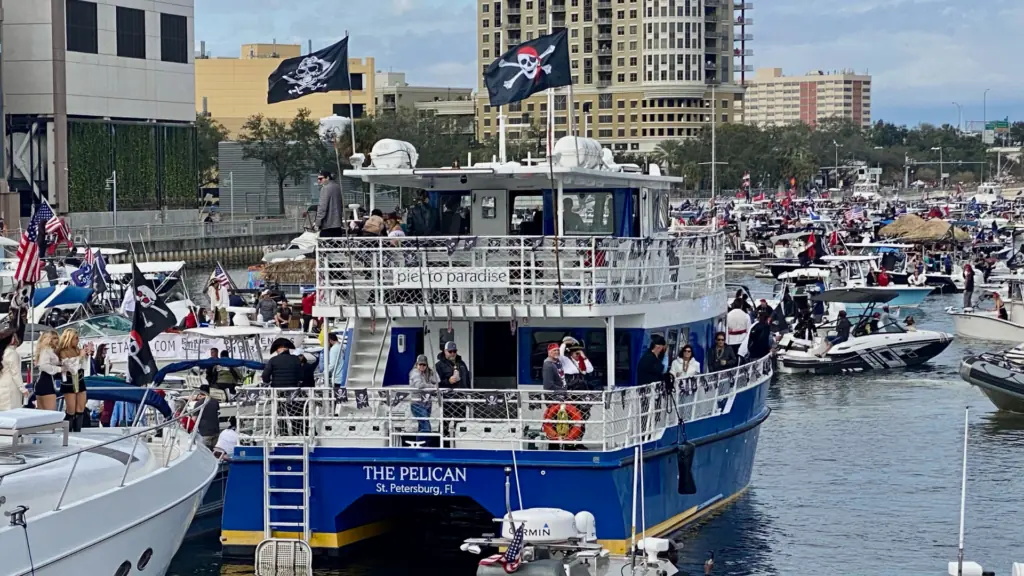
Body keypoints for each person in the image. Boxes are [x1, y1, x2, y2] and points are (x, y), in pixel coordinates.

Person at [56, 330, 91, 431]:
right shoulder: (63, 352)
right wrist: (80, 357)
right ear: (69, 339)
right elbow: (72, 368)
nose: (77, 340)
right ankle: (68, 431)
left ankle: (77, 431)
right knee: (71, 410)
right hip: (68, 382)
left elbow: (83, 366)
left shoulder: (77, 350)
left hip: (79, 380)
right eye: (76, 338)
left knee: (81, 408)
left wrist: (86, 356)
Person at [409, 354, 439, 442]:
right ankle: (424, 448)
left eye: (424, 365)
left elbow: (438, 380)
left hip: (427, 403)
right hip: (417, 403)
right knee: (426, 427)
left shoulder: (429, 372)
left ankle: (419, 446)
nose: (422, 366)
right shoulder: (414, 373)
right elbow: (419, 385)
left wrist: (433, 371)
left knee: (422, 425)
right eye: (420, 364)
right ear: (416, 364)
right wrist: (432, 387)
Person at [34, 331, 61, 412]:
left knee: (43, 416)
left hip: (42, 382)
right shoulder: (46, 350)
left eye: (57, 338)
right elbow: (44, 366)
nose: (57, 340)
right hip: (46, 383)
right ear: (49, 340)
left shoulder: (47, 350)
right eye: (54, 338)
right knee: (51, 415)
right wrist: (59, 369)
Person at [0, 331, 26, 411]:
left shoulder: (2, 352)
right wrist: (22, 389)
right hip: (11, 386)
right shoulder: (11, 353)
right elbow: (16, 373)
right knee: (12, 411)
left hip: (2, 385)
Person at [316, 170, 344, 237]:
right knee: (337, 246)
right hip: (338, 226)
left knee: (325, 247)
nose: (319, 181)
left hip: (327, 226)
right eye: (318, 179)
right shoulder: (337, 187)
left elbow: (322, 207)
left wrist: (317, 223)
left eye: (320, 178)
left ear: (327, 178)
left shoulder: (325, 188)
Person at [195, 385, 221, 450]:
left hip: (205, 432)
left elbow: (194, 419)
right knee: (213, 451)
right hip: (215, 430)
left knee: (205, 452)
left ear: (200, 392)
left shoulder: (198, 403)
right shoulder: (215, 402)